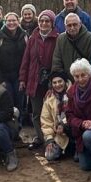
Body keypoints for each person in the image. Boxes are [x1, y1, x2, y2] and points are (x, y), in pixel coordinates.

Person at [19, 10, 59, 149]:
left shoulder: (58, 38)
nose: (43, 23)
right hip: (34, 79)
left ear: (52, 23)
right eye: (41, 21)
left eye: (47, 21)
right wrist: (22, 79)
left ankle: (53, 138)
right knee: (36, 112)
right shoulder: (32, 38)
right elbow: (26, 60)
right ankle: (41, 138)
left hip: (51, 81)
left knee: (52, 110)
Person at [0, 12, 28, 124]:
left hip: (19, 77)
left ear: (18, 22)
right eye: (9, 21)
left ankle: (18, 127)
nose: (11, 23)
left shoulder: (24, 36)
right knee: (8, 104)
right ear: (5, 22)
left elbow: (27, 57)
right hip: (4, 78)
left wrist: (23, 78)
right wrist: (0, 79)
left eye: (14, 20)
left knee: (19, 103)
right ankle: (9, 127)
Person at [40, 70, 73, 161]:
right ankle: (65, 148)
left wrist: (64, 125)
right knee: (50, 156)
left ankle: (75, 148)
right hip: (58, 135)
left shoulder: (74, 94)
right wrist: (49, 140)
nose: (57, 85)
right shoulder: (49, 99)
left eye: (60, 81)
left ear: (65, 82)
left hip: (73, 131)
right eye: (54, 82)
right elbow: (46, 122)